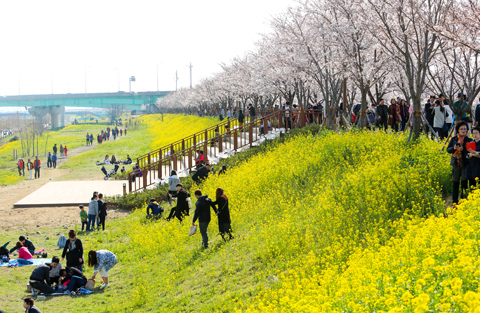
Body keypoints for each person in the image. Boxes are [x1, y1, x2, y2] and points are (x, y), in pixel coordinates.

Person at [447, 121, 473, 204]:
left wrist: (463, 150)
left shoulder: (470, 140)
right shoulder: (454, 139)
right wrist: (454, 148)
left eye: (465, 129)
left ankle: (463, 201)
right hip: (456, 164)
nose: (463, 130)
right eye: (461, 129)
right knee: (455, 183)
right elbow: (448, 150)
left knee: (464, 183)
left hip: (465, 164)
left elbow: (471, 152)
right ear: (458, 130)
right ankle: (455, 201)